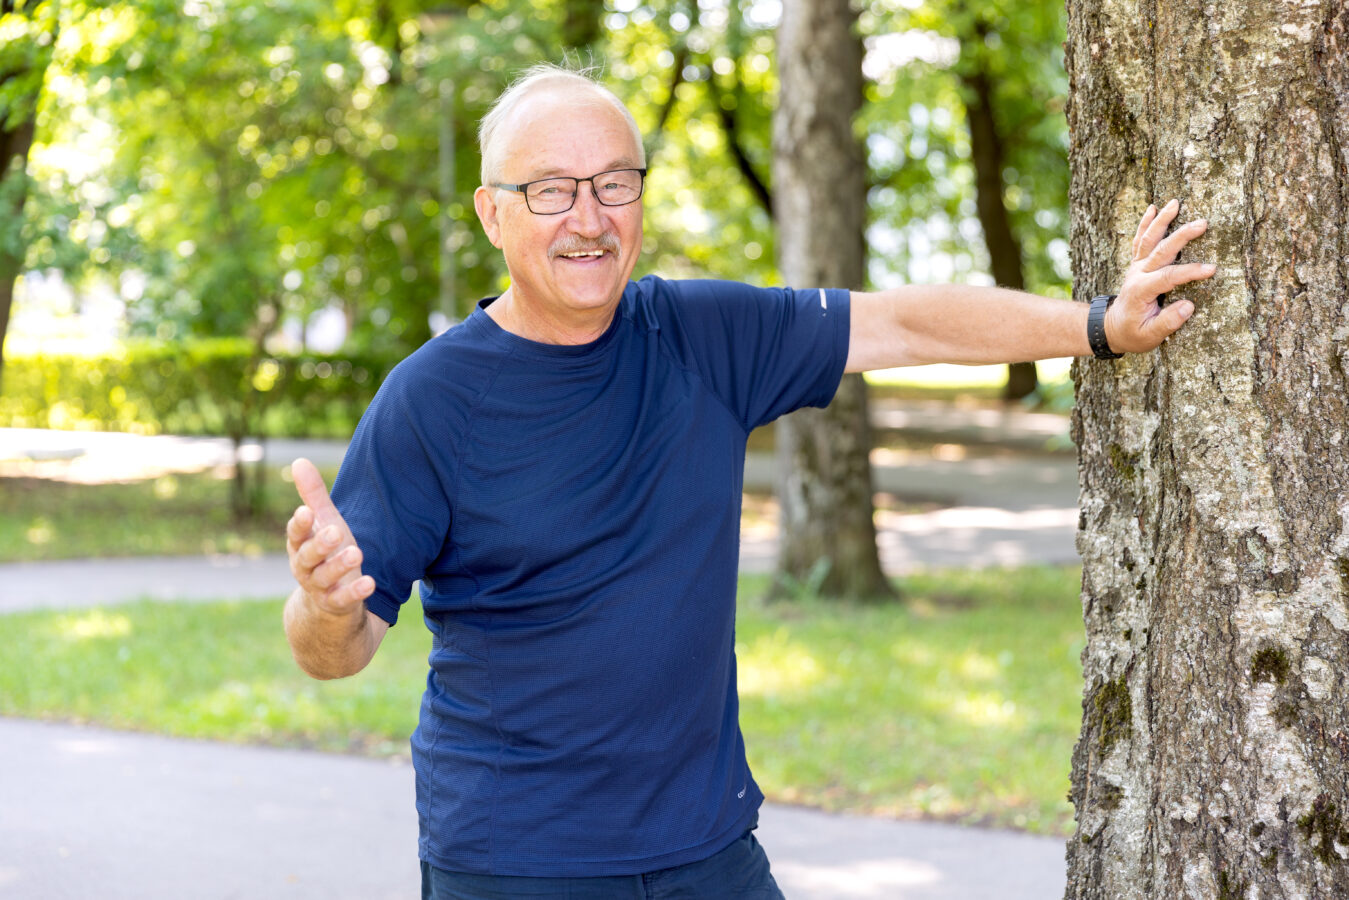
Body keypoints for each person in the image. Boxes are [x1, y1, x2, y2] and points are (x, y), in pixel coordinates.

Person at [282, 63, 1215, 898]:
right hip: (517, 858)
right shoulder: (432, 401)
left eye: (615, 184)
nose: (590, 217)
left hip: (707, 848)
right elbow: (339, 649)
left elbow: (904, 325)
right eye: (552, 190)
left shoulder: (699, 338)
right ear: (494, 213)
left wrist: (1098, 323)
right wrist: (324, 607)